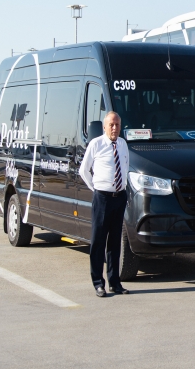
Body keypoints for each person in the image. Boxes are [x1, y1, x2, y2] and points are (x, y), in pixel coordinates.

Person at [79, 111, 130, 297]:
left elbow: (125, 166)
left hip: (119, 197)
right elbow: (84, 170)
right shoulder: (96, 144)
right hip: (102, 197)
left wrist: (123, 188)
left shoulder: (123, 144)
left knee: (115, 241)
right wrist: (96, 189)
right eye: (111, 125)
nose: (115, 128)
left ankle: (115, 282)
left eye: (117, 124)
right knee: (99, 240)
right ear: (104, 127)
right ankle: (98, 283)